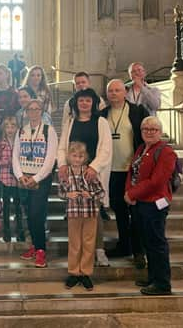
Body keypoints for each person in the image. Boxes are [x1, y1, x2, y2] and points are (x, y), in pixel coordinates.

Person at [57, 88, 112, 267]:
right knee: (75, 218)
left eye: (88, 100)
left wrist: (94, 168)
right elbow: (62, 147)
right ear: (76, 103)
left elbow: (105, 148)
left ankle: (99, 250)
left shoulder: (101, 122)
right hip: (73, 175)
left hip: (91, 175)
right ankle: (76, 258)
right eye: (81, 100)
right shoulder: (70, 122)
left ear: (93, 103)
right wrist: (62, 165)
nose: (84, 103)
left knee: (94, 215)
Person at [125, 116, 175, 296]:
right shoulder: (141, 148)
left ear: (160, 132)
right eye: (145, 129)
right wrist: (129, 192)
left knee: (156, 243)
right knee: (148, 243)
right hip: (140, 203)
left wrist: (132, 193)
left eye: (153, 129)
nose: (148, 132)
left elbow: (156, 181)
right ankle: (153, 277)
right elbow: (133, 172)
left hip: (155, 204)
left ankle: (162, 283)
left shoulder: (166, 152)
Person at [101, 79, 148, 268]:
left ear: (125, 92)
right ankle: (123, 245)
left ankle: (138, 250)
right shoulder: (102, 114)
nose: (114, 93)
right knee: (119, 210)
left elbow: (146, 137)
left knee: (135, 212)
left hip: (132, 171)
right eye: (110, 91)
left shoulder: (137, 112)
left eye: (117, 90)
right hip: (111, 171)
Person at [13, 99, 58, 268]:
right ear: (26, 112)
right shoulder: (21, 131)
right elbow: (15, 156)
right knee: (29, 214)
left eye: (36, 109)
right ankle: (34, 246)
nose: (33, 112)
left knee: (37, 214)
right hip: (24, 178)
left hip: (41, 178)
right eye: (30, 109)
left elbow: (50, 158)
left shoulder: (49, 130)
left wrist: (36, 178)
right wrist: (19, 176)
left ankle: (41, 250)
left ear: (42, 111)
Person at [61, 141, 105, 291]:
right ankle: (74, 272)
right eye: (74, 156)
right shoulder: (65, 173)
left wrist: (90, 194)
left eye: (80, 156)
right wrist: (68, 194)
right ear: (69, 156)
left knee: (88, 243)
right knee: (74, 243)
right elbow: (60, 192)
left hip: (90, 212)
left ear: (85, 157)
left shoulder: (90, 172)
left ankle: (85, 273)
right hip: (73, 213)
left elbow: (101, 192)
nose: (77, 159)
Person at [0, 116, 25, 243]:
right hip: (5, 179)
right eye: (7, 126)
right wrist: (6, 162)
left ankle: (20, 232)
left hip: (18, 180)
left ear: (17, 128)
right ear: (4, 128)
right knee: (6, 207)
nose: (10, 129)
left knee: (18, 207)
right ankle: (6, 233)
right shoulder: (0, 143)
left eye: (13, 126)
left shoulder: (21, 141)